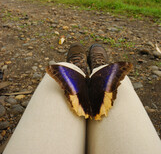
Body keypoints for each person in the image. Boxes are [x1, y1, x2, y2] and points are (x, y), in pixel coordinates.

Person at [3, 44, 161, 154]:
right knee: (113, 76)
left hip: (77, 96)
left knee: (62, 67)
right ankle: (100, 68)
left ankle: (76, 68)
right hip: (102, 97)